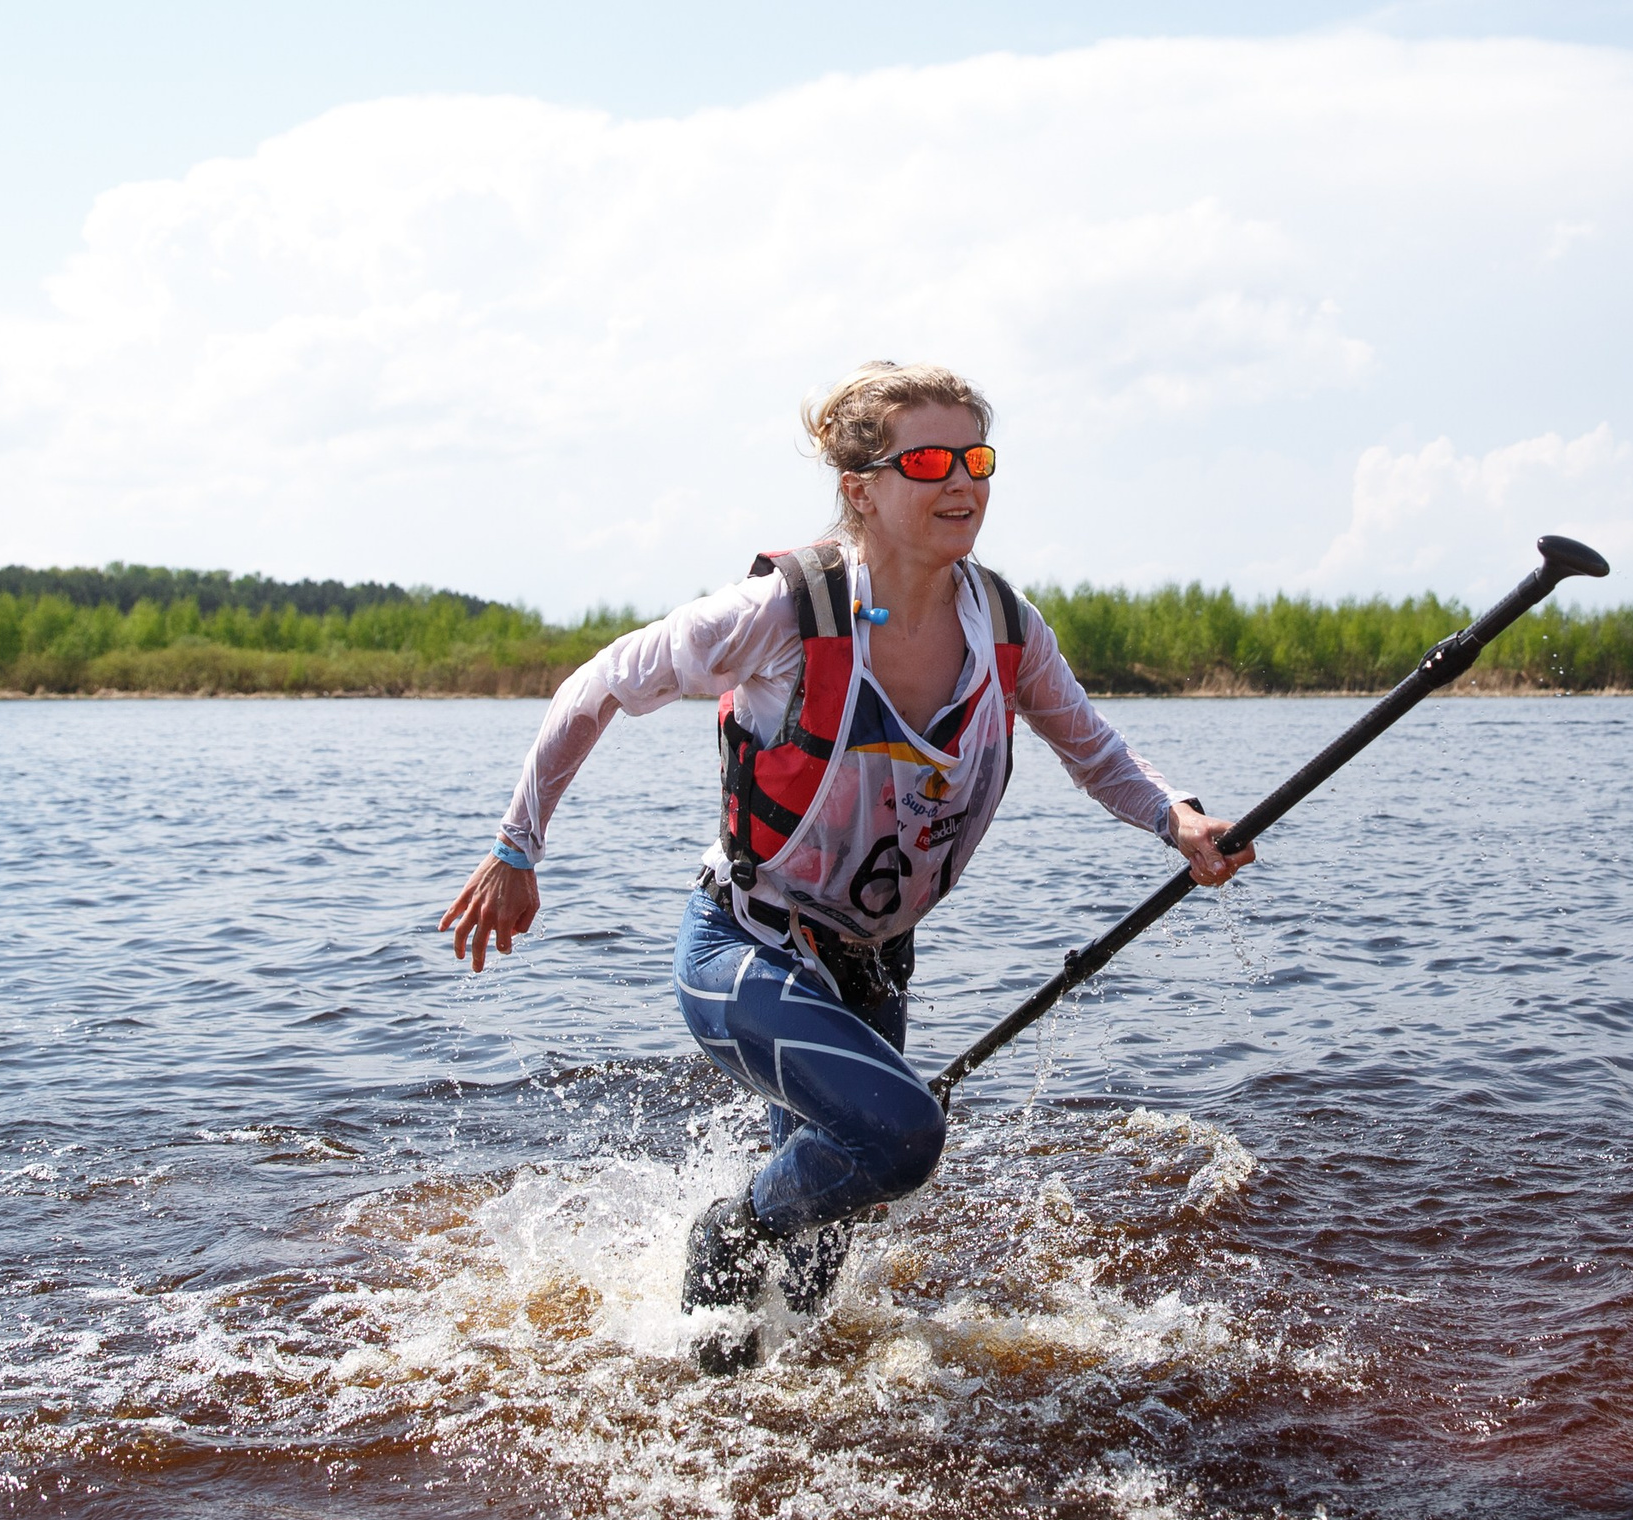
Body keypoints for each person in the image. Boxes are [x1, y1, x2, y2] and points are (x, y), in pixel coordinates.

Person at [440, 362, 1253, 1373]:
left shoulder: (1003, 624)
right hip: (745, 952)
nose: (961, 482)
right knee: (901, 1138)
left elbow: (1094, 750)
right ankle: (726, 1231)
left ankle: (740, 1410)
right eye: (926, 461)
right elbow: (598, 684)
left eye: (976, 459)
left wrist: (1179, 824)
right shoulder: (782, 612)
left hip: (870, 969)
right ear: (861, 484)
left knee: (817, 1281)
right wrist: (517, 848)